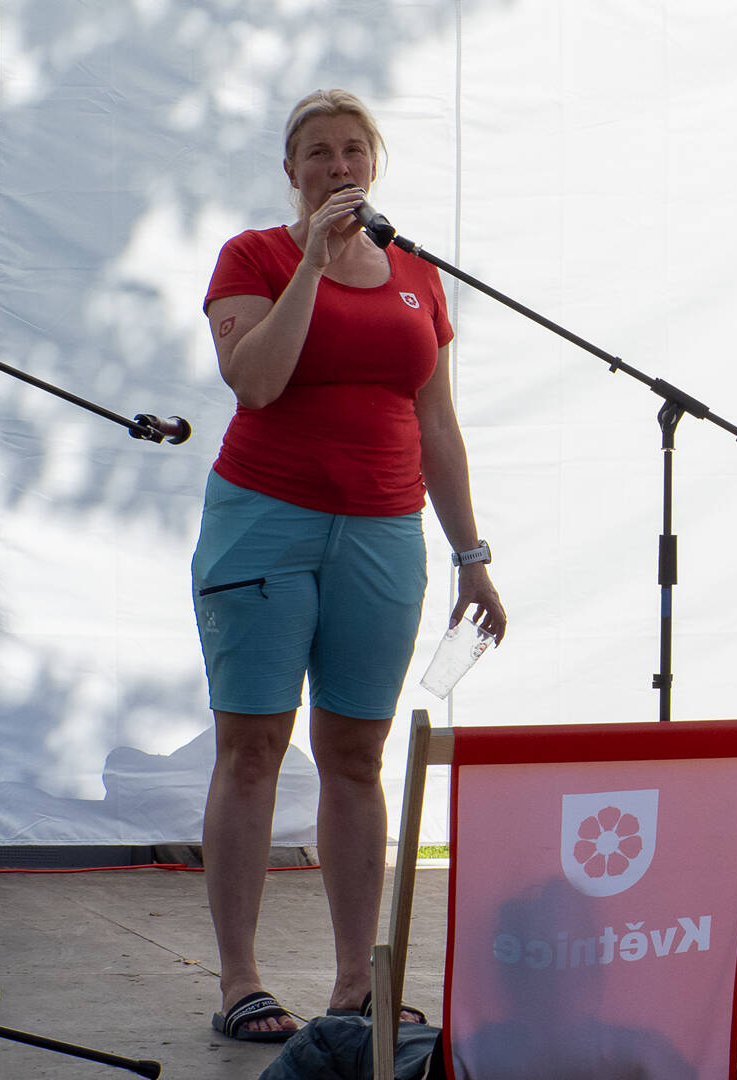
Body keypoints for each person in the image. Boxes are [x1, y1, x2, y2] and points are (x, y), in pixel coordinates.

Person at [192, 88, 507, 1040]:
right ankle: (240, 981)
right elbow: (255, 381)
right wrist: (313, 267)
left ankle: (354, 983)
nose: (339, 167)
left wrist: (472, 555)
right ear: (292, 171)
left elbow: (437, 422)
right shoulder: (254, 256)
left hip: (382, 531)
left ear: (374, 164)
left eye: (353, 151)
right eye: (320, 153)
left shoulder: (416, 272)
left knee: (357, 756)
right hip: (265, 521)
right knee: (253, 747)